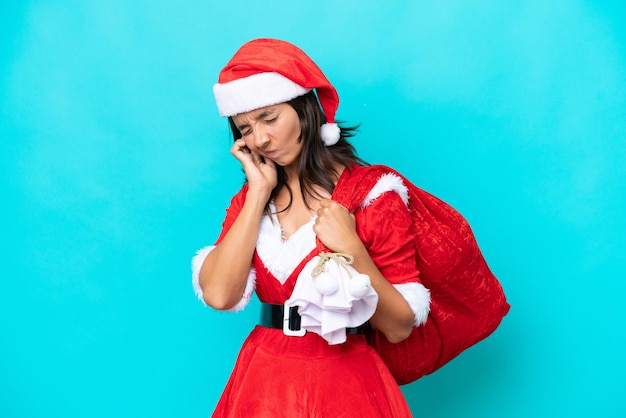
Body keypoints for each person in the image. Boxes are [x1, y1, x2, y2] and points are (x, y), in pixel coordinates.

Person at [192, 38, 432, 417]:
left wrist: (352, 248)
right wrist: (258, 193)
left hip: (346, 385)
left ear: (305, 108)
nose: (260, 139)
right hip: (262, 382)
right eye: (244, 128)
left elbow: (400, 327)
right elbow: (220, 295)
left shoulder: (373, 195)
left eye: (269, 118)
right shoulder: (251, 200)